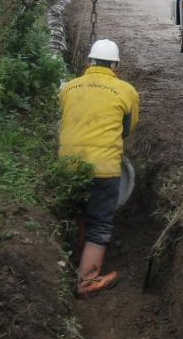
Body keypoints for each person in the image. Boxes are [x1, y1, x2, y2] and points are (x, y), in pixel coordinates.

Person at [59, 39, 139, 297]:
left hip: (68, 167)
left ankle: (75, 257)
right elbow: (128, 129)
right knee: (100, 224)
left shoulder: (68, 88)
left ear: (89, 62)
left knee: (78, 212)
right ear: (115, 65)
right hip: (105, 169)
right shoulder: (127, 91)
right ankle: (87, 281)